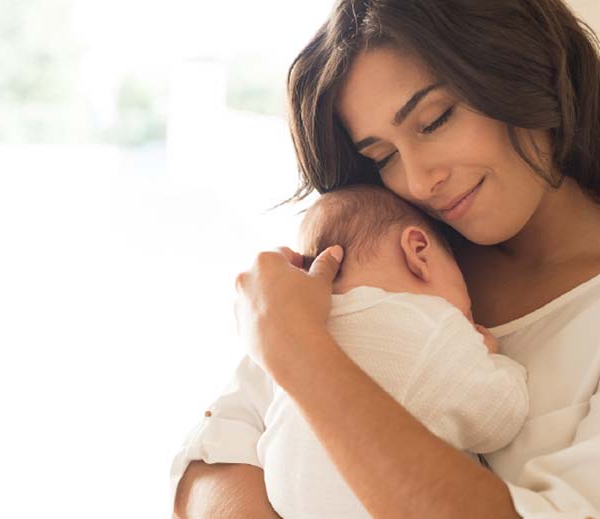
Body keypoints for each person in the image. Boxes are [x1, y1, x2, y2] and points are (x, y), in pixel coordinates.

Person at [172, 1, 600, 518]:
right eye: (383, 157)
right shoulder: (388, 258)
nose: (419, 182)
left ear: (525, 68)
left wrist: (302, 354)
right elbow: (211, 461)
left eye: (435, 119)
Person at [257, 184, 529, 519]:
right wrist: (494, 358)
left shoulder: (300, 330)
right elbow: (500, 418)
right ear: (419, 251)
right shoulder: (429, 324)